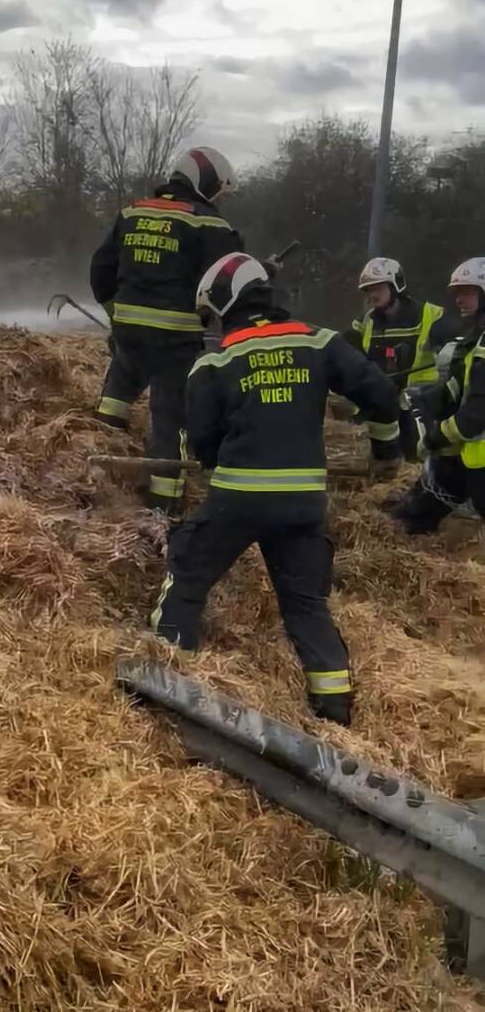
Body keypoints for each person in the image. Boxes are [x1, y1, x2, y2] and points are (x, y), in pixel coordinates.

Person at [151, 253, 401, 726]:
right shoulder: (319, 341)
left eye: (213, 316)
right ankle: (334, 713)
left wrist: (221, 455)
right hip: (304, 506)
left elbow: (203, 442)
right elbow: (383, 398)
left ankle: (168, 679)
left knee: (187, 576)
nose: (214, 326)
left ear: (226, 303)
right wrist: (386, 451)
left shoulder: (216, 361)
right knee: (306, 605)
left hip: (238, 501)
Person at [90, 147, 243, 514]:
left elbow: (100, 271)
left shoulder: (132, 212)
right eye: (218, 190)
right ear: (205, 181)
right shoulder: (209, 224)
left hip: (128, 335)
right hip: (174, 340)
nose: (218, 199)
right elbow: (231, 277)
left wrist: (117, 316)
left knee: (115, 397)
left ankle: (97, 467)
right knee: (170, 419)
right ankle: (164, 504)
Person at [392, 258, 485, 533]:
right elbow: (463, 387)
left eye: (467, 291)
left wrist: (437, 436)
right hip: (472, 458)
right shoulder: (477, 339)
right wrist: (431, 399)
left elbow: (476, 413)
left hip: (476, 454)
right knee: (427, 499)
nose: (458, 298)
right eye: (456, 292)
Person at [344, 258, 445, 461]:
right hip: (383, 402)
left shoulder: (431, 315)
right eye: (368, 290)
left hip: (420, 403)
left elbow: (453, 356)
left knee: (417, 452)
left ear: (395, 285)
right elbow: (348, 353)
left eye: (378, 288)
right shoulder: (366, 321)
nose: (372, 295)